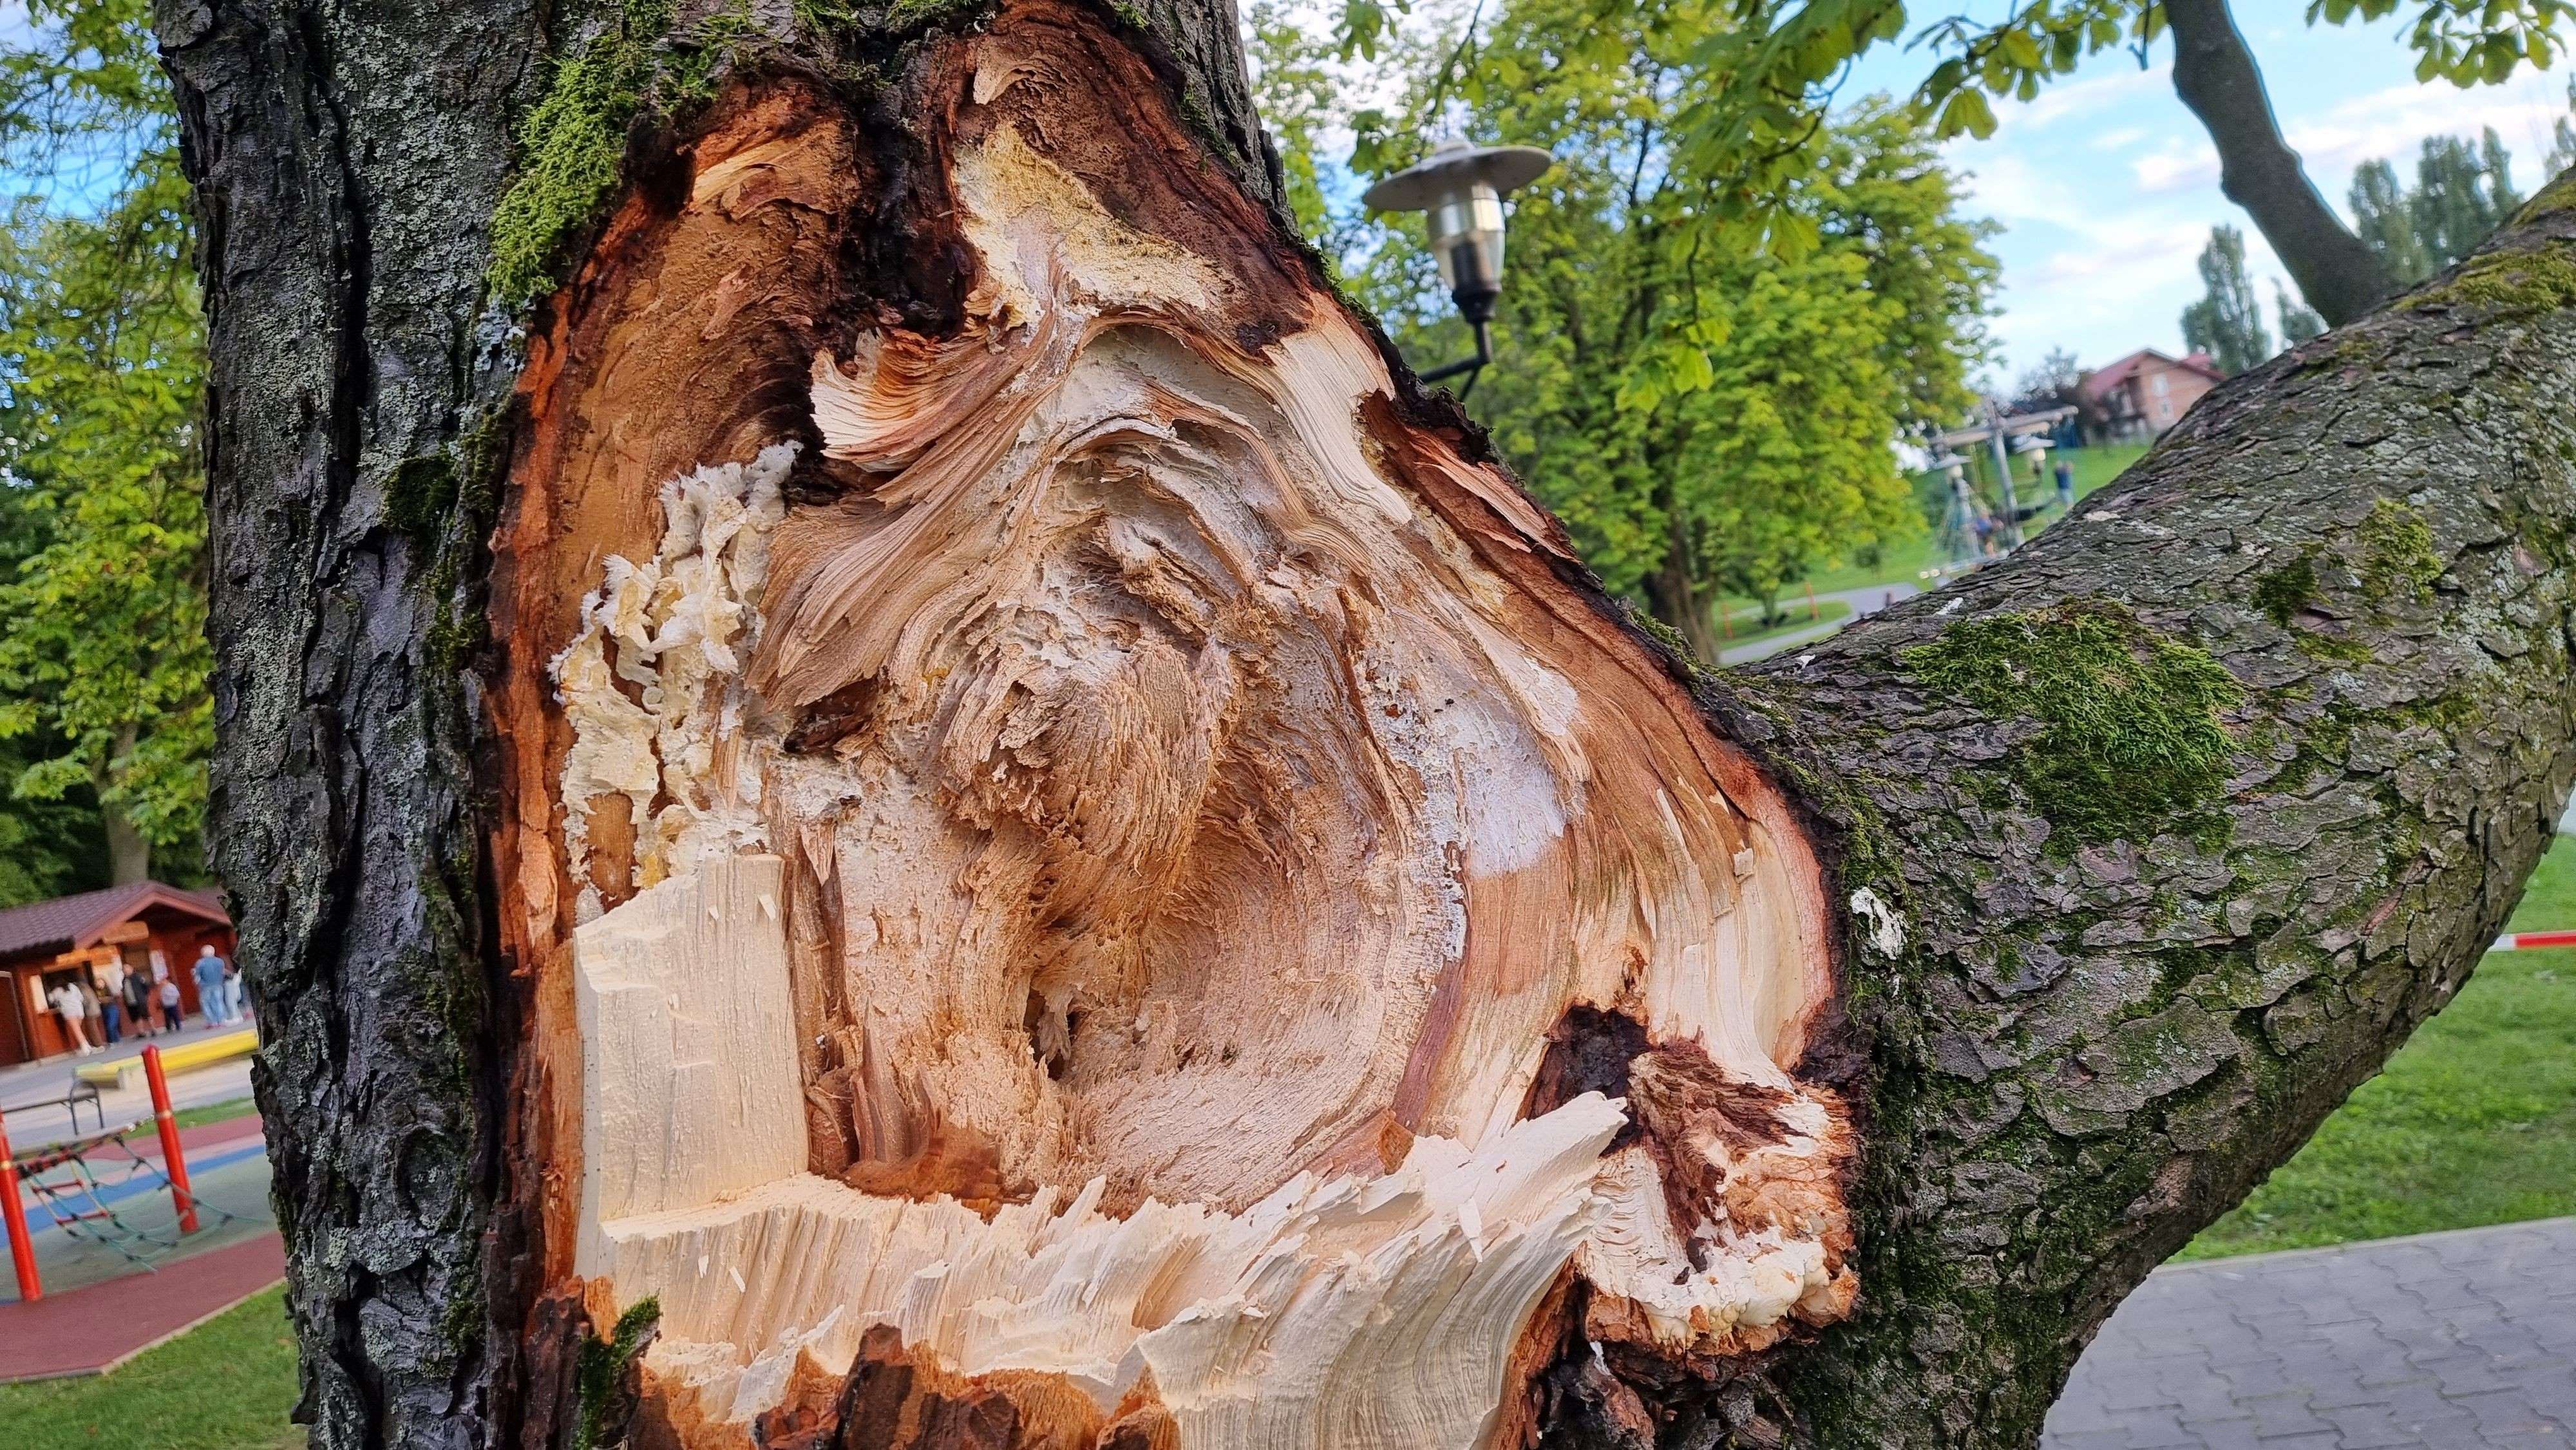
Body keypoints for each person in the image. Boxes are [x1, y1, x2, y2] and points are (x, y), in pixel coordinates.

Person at [49, 975, 93, 1055]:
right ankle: (87, 1046)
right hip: (79, 1011)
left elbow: (50, 999)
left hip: (69, 1012)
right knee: (78, 1030)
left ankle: (85, 1049)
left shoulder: (57, 990)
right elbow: (81, 998)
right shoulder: (73, 986)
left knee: (77, 1031)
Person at [194, 944, 229, 1029]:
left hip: (205, 986)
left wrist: (198, 984)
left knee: (206, 1004)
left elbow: (197, 977)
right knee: (219, 1002)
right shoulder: (219, 961)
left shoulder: (200, 963)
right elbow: (222, 972)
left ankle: (212, 1022)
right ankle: (221, 1020)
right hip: (218, 984)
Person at [122, 964, 155, 1037]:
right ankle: (141, 1032)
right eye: (124, 969)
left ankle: (153, 1030)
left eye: (127, 969)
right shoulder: (124, 980)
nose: (126, 970)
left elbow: (146, 986)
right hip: (130, 1002)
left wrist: (144, 996)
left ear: (131, 969)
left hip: (140, 1001)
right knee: (136, 1018)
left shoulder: (138, 977)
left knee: (147, 1015)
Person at [97, 963, 124, 1043]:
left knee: (111, 1025)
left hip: (111, 1007)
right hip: (104, 1009)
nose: (99, 984)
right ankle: (114, 1040)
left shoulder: (108, 989)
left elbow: (112, 998)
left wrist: (102, 999)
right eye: (98, 982)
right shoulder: (96, 991)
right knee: (109, 1025)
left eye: (101, 982)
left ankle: (114, 1041)